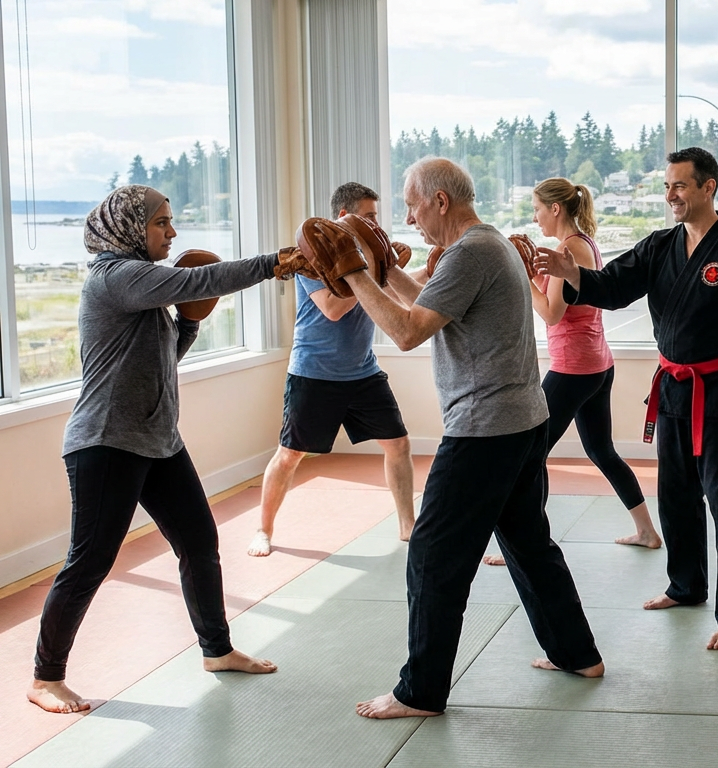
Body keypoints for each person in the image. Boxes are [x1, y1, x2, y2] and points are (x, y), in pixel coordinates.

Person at [341, 158, 603, 720]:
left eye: (412, 205)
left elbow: (408, 329)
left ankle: (420, 691)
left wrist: (354, 272)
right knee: (530, 544)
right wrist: (383, 267)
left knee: (433, 556)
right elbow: (427, 301)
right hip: (522, 420)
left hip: (487, 429)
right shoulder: (490, 245)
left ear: (440, 201)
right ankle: (577, 653)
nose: (408, 217)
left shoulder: (470, 252)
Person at [28, 185, 297, 713]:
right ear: (130, 227)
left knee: (199, 541)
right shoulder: (115, 278)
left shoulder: (141, 290)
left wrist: (191, 321)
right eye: (162, 223)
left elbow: (163, 358)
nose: (173, 233)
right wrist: (277, 263)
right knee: (90, 561)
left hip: (156, 440)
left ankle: (217, 650)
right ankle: (45, 678)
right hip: (106, 442)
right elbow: (197, 278)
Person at [536, 147, 718, 651]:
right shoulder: (660, 246)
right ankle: (686, 585)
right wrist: (570, 271)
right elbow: (613, 287)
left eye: (680, 186)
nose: (670, 195)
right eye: (667, 186)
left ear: (708, 187)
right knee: (676, 495)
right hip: (672, 388)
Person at [482, 178, 659, 568]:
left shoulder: (569, 249)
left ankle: (526, 546)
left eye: (537, 209)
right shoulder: (584, 243)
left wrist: (523, 275)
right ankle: (646, 531)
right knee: (601, 450)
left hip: (574, 368)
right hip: (596, 362)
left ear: (556, 209)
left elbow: (551, 312)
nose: (534, 216)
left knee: (530, 453)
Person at [248, 182, 415, 557]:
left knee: (399, 444)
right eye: (369, 216)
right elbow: (334, 308)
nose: (376, 223)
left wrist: (403, 268)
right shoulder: (313, 255)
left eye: (376, 216)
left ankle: (408, 526)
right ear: (345, 217)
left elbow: (391, 299)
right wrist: (374, 268)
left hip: (362, 372)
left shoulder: (369, 258)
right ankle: (263, 529)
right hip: (314, 373)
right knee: (290, 454)